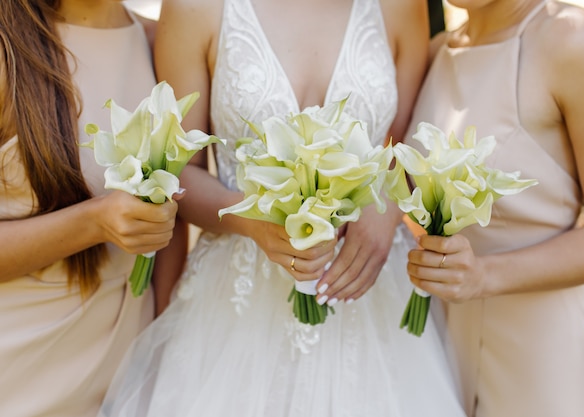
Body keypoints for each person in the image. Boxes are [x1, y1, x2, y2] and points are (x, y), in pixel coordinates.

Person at [98, 0, 468, 416]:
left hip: (371, 287)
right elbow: (180, 175)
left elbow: (402, 151)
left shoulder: (401, 5)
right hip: (238, 306)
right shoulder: (194, 7)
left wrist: (386, 204)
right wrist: (255, 220)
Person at [406, 0, 584, 416]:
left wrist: (483, 275)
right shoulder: (437, 52)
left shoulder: (578, 43)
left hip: (544, 356)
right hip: (440, 342)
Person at [0, 1, 180, 416]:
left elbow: (177, 218)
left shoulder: (160, 45)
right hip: (16, 377)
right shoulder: (10, 46)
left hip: (122, 378)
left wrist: (159, 355)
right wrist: (93, 222)